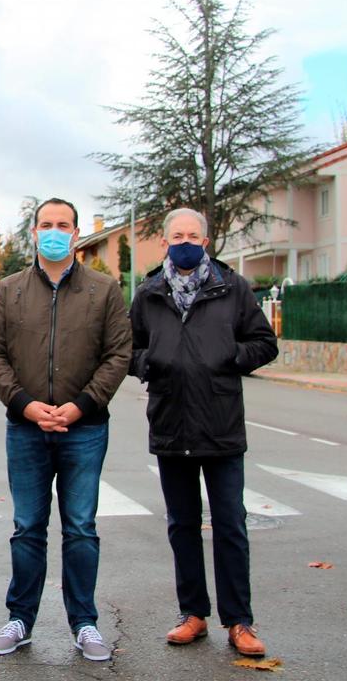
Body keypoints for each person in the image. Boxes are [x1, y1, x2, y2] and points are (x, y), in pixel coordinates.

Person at [0, 197, 132, 662]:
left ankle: (84, 624)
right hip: (25, 429)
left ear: (75, 233)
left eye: (62, 224)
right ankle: (20, 620)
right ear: (33, 232)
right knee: (27, 527)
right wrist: (25, 406)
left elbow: (119, 355)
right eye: (45, 224)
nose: (53, 231)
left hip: (84, 429)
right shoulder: (9, 290)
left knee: (81, 529)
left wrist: (80, 406)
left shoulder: (104, 290)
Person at [128, 207, 279, 658]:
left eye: (194, 234)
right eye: (178, 235)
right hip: (171, 423)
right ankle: (192, 614)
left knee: (231, 524)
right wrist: (148, 363)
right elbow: (128, 348)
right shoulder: (148, 293)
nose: (186, 241)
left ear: (207, 241)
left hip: (221, 425)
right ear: (165, 242)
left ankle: (239, 621)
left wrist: (229, 355)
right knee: (182, 526)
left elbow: (265, 343)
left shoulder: (234, 288)